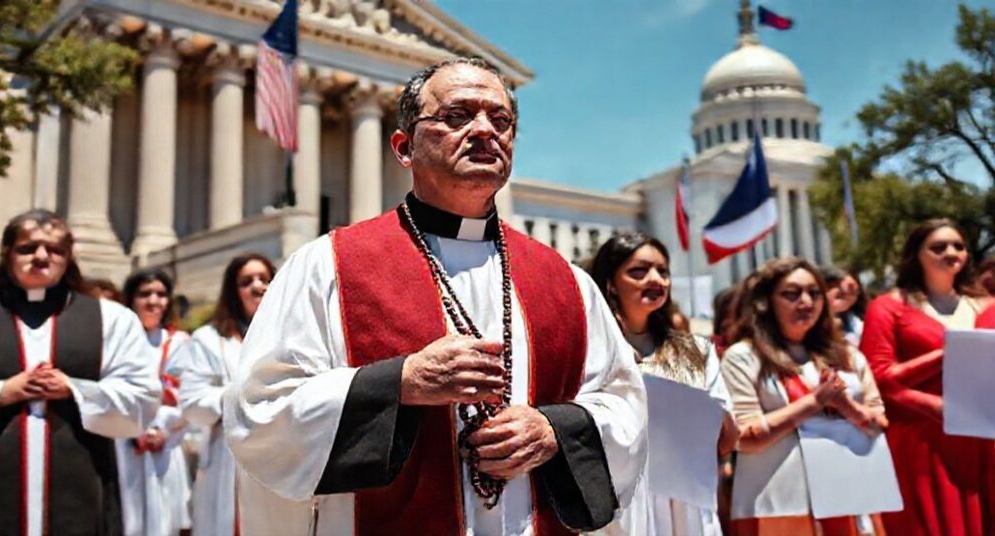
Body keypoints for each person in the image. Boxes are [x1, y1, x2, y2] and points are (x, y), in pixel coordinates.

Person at [223, 57, 648, 535]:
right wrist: (397, 383)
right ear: (404, 148)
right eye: (458, 115)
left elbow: (622, 402)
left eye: (501, 120)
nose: (485, 130)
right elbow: (260, 409)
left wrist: (555, 430)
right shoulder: (327, 267)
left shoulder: (566, 281)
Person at [0, 209, 160, 534]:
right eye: (27, 248)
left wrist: (75, 390)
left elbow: (142, 400)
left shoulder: (111, 319)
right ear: (7, 253)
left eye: (55, 249)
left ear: (69, 257)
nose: (41, 256)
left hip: (83, 493)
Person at [721, 257, 890, 535]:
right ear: (766, 302)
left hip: (850, 498)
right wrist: (814, 402)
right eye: (792, 294)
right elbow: (744, 437)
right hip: (780, 506)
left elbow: (879, 425)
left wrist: (849, 408)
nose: (806, 302)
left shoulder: (848, 355)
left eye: (814, 293)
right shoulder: (743, 357)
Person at [589, 233, 737, 535]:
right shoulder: (591, 348)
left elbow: (726, 439)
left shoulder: (696, 350)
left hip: (689, 501)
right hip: (622, 502)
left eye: (663, 271)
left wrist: (695, 407)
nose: (655, 279)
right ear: (610, 282)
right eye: (639, 271)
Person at [859, 219, 995, 535]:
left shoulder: (986, 306)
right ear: (916, 256)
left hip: (983, 440)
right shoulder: (889, 307)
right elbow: (879, 377)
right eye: (938, 247)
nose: (951, 252)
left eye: (958, 246)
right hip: (921, 440)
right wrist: (946, 358)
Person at [176, 253, 275, 536]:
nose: (258, 286)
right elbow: (192, 402)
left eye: (265, 279)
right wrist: (240, 395)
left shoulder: (292, 335)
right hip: (226, 458)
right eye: (247, 281)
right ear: (233, 291)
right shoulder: (208, 340)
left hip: (278, 451)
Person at [119, 269, 193, 536]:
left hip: (165, 445)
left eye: (161, 294)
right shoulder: (116, 340)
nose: (154, 301)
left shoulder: (179, 343)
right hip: (124, 446)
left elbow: (187, 398)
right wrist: (135, 430)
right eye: (145, 294)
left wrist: (159, 428)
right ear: (131, 299)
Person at [821, 266, 866, 346]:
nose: (846, 295)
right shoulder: (807, 326)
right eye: (831, 286)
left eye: (853, 292)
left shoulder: (861, 325)